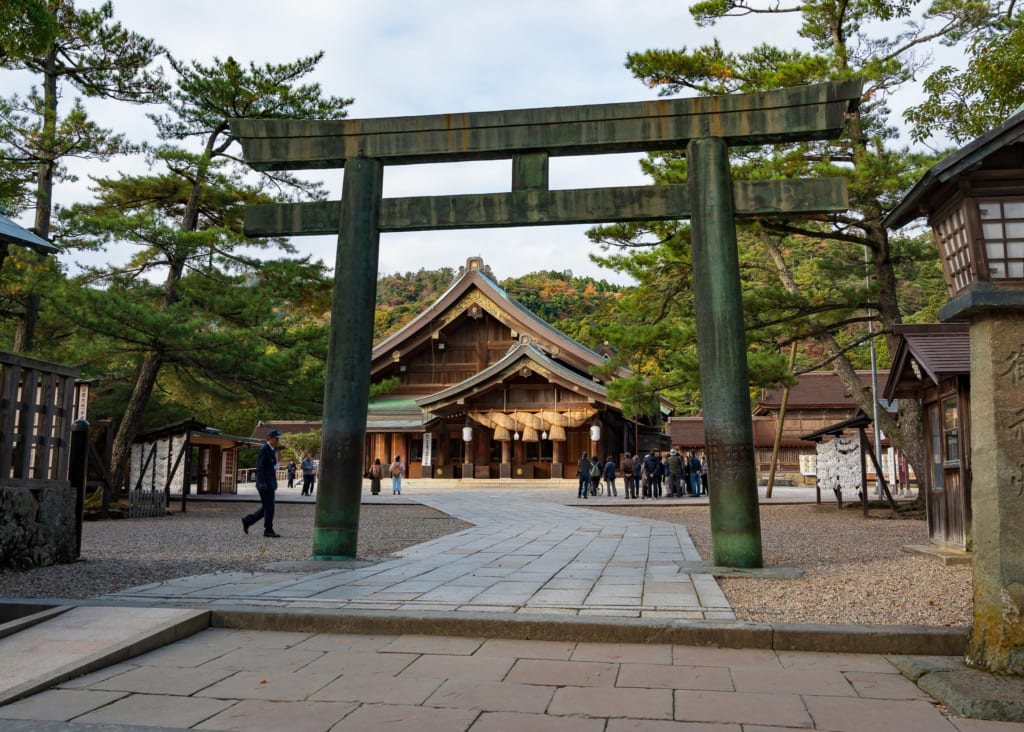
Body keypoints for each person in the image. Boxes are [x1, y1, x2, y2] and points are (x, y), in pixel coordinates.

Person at [242, 428, 282, 538]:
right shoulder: (264, 449)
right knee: (270, 507)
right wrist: (262, 482)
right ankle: (268, 529)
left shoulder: (271, 450)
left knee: (267, 507)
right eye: (276, 438)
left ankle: (248, 520)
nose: (277, 441)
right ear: (270, 438)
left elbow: (271, 467)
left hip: (270, 482)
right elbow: (260, 467)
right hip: (264, 483)